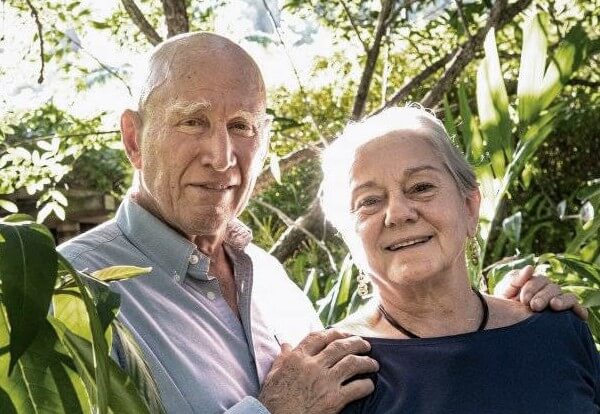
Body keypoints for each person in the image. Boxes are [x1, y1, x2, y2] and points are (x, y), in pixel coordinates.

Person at [58, 32, 584, 414]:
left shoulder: (271, 284)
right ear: (133, 139)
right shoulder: (67, 292)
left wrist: (521, 318)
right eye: (192, 120)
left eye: (241, 126)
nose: (221, 156)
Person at [319, 105, 599, 413]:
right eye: (369, 201)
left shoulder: (555, 331)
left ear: (469, 207)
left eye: (421, 187)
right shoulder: (334, 373)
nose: (398, 213)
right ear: (348, 234)